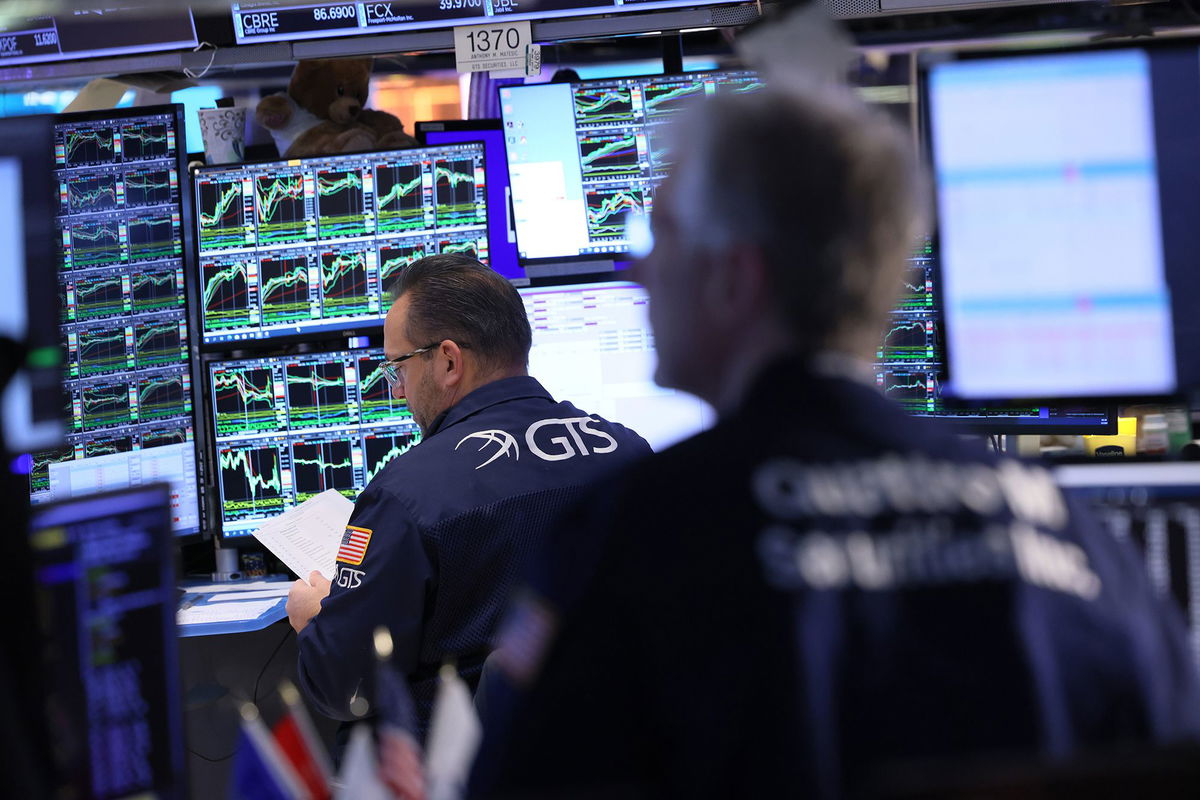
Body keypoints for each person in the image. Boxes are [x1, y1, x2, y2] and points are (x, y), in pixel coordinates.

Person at [469, 86, 1200, 797]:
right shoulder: (1076, 540)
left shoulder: (627, 533)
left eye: (659, 237)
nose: (637, 273)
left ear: (735, 277)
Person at [286, 253, 651, 736]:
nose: (399, 391)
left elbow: (346, 689)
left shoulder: (406, 495)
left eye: (398, 367)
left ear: (449, 361)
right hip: (623, 760)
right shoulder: (629, 453)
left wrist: (313, 622)